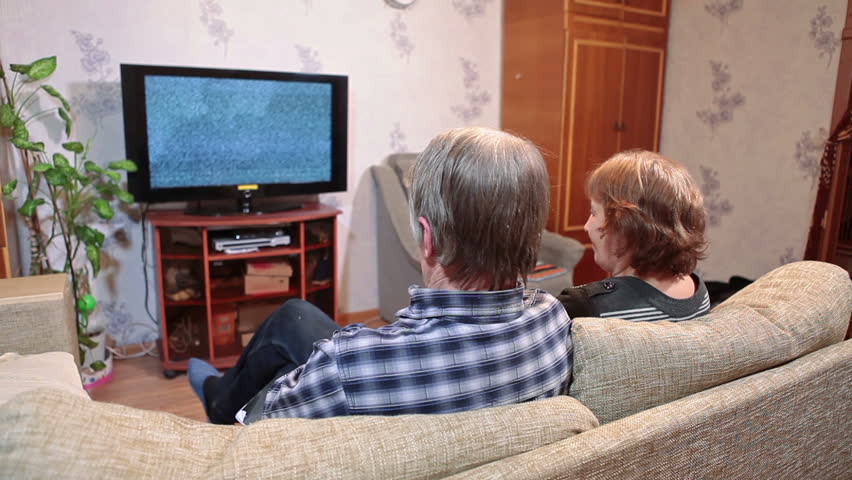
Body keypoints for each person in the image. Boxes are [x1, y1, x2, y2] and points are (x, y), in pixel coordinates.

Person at [188, 126, 574, 424]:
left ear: (428, 238)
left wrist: (301, 378)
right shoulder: (554, 319)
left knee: (285, 338)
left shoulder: (351, 364)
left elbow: (257, 426)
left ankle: (220, 399)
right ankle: (219, 391)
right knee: (294, 316)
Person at [558, 149, 710, 322]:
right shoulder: (699, 294)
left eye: (593, 213)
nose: (586, 226)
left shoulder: (585, 307)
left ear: (623, 224)